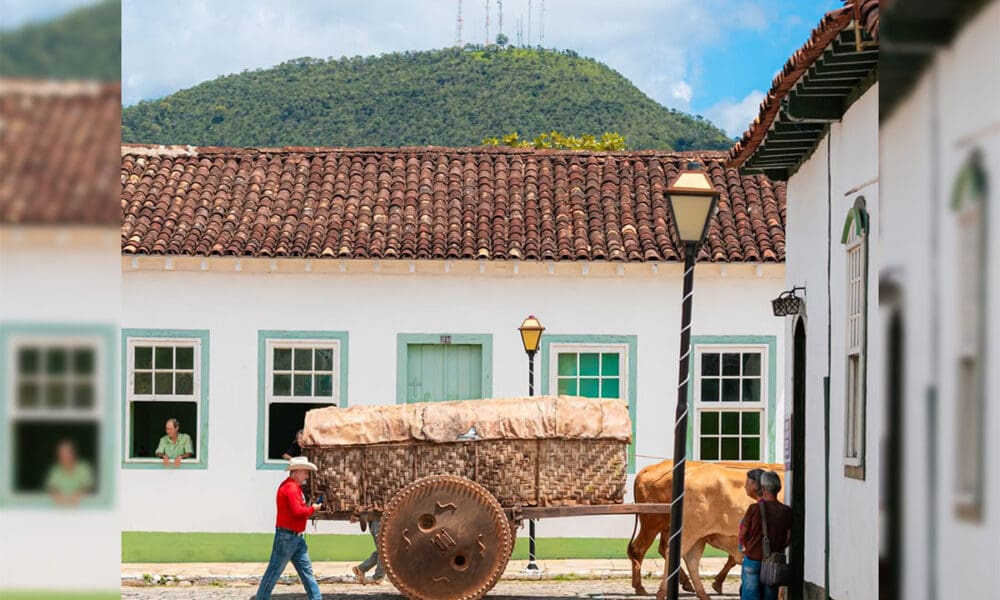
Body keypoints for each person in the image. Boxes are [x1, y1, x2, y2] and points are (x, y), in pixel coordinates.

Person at [255, 456, 323, 600]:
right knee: (274, 572)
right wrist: (313, 508)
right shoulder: (291, 488)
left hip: (294, 537)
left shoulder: (290, 486)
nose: (306, 476)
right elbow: (297, 511)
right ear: (296, 472)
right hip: (288, 537)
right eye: (305, 472)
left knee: (306, 572)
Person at [739, 470, 792, 600]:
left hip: (752, 560)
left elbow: (742, 534)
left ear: (763, 488)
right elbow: (788, 538)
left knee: (750, 597)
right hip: (773, 562)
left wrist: (747, 547)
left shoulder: (754, 508)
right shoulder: (786, 511)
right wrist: (777, 548)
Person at [46, 440, 94, 506]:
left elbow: (89, 487)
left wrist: (79, 493)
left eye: (66, 454)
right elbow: (51, 487)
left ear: (73, 454)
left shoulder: (83, 467)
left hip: (82, 506)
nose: (63, 457)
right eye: (61, 454)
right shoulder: (55, 470)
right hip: (61, 506)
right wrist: (55, 493)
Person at [352, 516, 384, 585]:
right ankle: (378, 577)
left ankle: (361, 569)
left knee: (383, 550)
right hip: (378, 520)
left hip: (379, 520)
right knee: (384, 550)